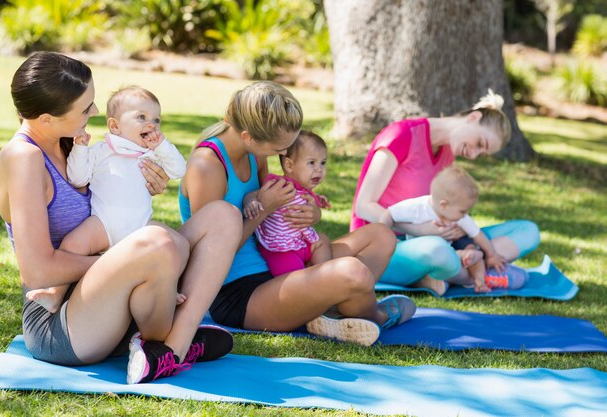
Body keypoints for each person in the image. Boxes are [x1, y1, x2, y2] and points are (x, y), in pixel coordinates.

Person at [0, 52, 240, 385]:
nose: (95, 112)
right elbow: (37, 270)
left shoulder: (69, 143)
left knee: (223, 216)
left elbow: (109, 198)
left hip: (113, 300)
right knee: (157, 242)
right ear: (47, 119)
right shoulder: (23, 158)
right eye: (85, 108)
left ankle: (171, 349)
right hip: (62, 323)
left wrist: (140, 188)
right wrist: (127, 258)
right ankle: (166, 333)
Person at [179, 81, 417, 347]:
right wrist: (264, 209)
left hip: (281, 260)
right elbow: (207, 257)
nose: (283, 154)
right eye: (278, 148)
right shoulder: (207, 167)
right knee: (354, 272)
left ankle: (330, 309)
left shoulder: (254, 153)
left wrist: (310, 214)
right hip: (241, 293)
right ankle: (376, 314)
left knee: (381, 236)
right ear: (249, 136)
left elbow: (277, 209)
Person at [351, 90, 541, 295]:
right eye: (479, 144)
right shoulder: (401, 135)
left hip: (438, 241)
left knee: (528, 231)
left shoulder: (448, 152)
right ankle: (476, 274)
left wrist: (455, 226)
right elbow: (363, 205)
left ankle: (452, 272)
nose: (474, 155)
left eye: (481, 153)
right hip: (383, 246)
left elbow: (439, 207)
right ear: (473, 118)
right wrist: (420, 230)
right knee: (436, 250)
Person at [26, 85, 188, 313]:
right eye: (141, 117)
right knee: (72, 245)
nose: (151, 124)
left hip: (141, 227)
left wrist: (162, 146)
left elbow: (179, 170)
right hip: (103, 223)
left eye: (157, 120)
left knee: (173, 246)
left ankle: (167, 288)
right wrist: (80, 149)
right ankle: (55, 293)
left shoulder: (152, 154)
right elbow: (77, 177)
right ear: (115, 125)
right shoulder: (102, 150)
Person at [381, 165, 527, 293]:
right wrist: (383, 238)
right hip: (429, 251)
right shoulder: (416, 208)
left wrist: (491, 255)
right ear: (444, 205)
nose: (465, 215)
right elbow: (389, 214)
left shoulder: (460, 217)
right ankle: (462, 262)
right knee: (446, 253)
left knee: (474, 251)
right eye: (463, 211)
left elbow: (478, 235)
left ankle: (479, 282)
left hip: (452, 245)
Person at [243, 130, 332, 277]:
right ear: (289, 166)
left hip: (302, 243)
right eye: (311, 163)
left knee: (322, 242)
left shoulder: (304, 189)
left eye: (323, 163)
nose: (319, 169)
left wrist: (318, 201)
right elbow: (253, 194)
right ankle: (314, 282)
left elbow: (305, 202)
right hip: (280, 250)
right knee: (298, 280)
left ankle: (324, 274)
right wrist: (251, 202)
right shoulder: (278, 185)